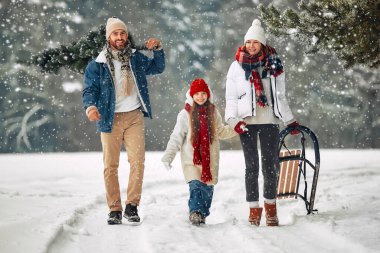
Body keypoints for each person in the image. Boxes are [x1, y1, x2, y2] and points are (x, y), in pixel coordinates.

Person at [82, 17, 165, 225]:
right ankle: (115, 209)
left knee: (137, 162)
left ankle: (131, 206)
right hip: (109, 118)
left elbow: (157, 67)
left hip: (134, 116)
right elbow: (89, 90)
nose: (119, 37)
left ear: (126, 36)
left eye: (122, 33)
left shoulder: (135, 58)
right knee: (110, 165)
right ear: (108, 37)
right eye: (115, 34)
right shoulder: (98, 64)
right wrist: (90, 107)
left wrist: (158, 49)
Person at [224, 19, 300, 226]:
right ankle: (254, 210)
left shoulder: (274, 63)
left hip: (269, 121)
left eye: (255, 42)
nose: (251, 46)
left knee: (270, 166)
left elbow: (280, 96)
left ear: (262, 44)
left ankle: (271, 208)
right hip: (246, 123)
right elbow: (231, 98)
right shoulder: (236, 67)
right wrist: (233, 121)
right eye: (248, 42)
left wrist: (290, 120)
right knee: (251, 167)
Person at [161, 79, 237, 225]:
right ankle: (195, 212)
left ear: (208, 95)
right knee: (195, 186)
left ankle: (202, 213)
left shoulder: (213, 113)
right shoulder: (185, 114)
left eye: (203, 93)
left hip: (210, 161)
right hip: (192, 160)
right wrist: (168, 156)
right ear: (191, 95)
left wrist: (236, 128)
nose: (200, 97)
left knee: (207, 191)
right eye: (197, 94)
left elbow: (220, 132)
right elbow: (176, 137)